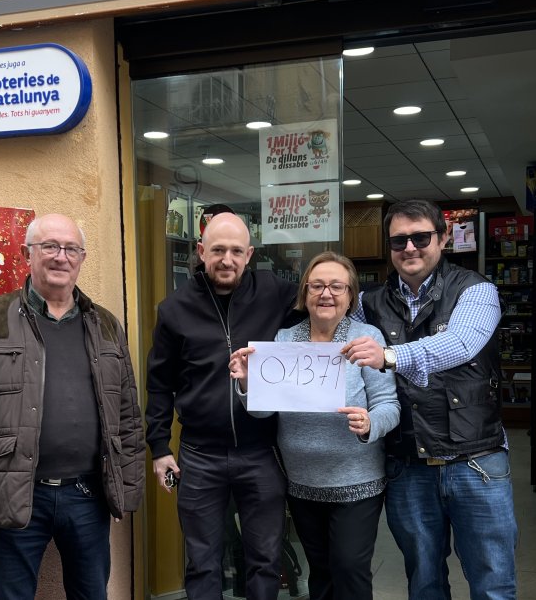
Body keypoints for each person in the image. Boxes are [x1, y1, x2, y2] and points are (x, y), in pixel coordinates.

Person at [0, 214, 145, 600]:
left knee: (91, 594)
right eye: (49, 246)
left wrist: (126, 491)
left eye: (71, 249)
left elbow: (128, 415)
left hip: (88, 496)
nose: (60, 257)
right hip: (14, 494)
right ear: (27, 254)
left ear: (82, 258)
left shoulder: (104, 324)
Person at [342, 199, 517, 600]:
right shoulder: (368, 303)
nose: (409, 248)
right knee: (423, 584)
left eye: (420, 238)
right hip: (408, 464)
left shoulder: (477, 290)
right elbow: (338, 342)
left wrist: (389, 356)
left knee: (493, 584)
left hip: (476, 460)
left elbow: (460, 344)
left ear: (443, 238)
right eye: (398, 240)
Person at [145, 212, 300, 600]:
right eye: (217, 250)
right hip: (200, 456)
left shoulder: (276, 293)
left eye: (235, 251)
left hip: (262, 451)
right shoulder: (174, 309)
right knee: (202, 562)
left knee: (265, 560)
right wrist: (160, 448)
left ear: (249, 254)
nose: (226, 259)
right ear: (201, 251)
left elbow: (325, 302)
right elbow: (159, 384)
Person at [229, 251, 400, 600]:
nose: (326, 294)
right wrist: (248, 383)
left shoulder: (366, 339)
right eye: (317, 285)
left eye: (337, 286)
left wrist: (371, 422)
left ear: (350, 296)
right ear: (304, 293)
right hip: (303, 483)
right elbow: (263, 413)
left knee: (349, 569)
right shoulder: (284, 340)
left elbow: (389, 405)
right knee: (319, 574)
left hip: (357, 482)